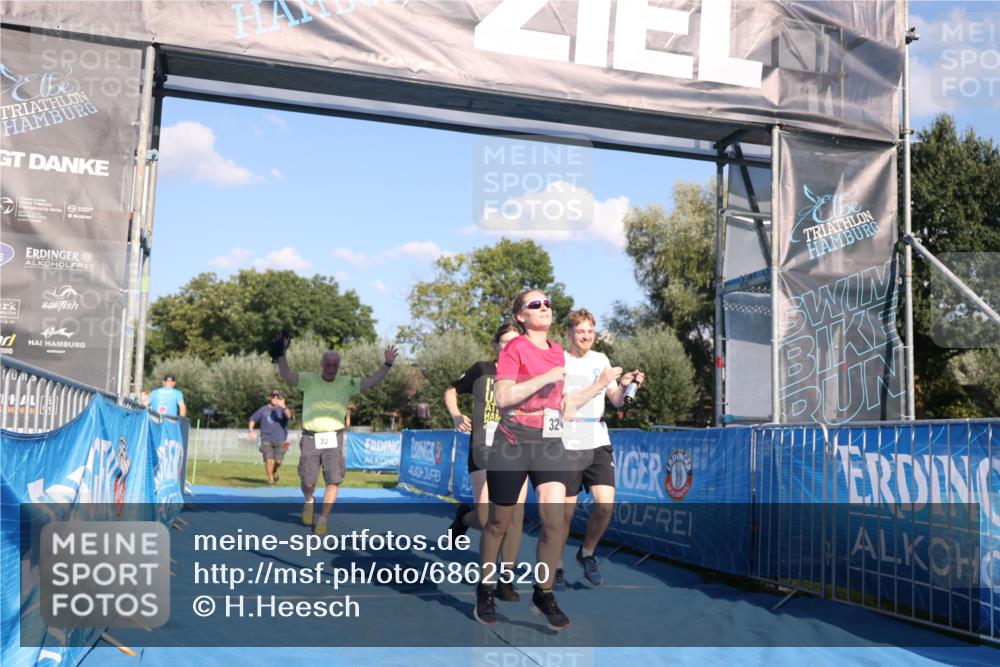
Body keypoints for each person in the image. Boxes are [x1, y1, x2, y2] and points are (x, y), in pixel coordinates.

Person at [475, 289, 574, 631]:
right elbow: (503, 397)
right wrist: (545, 378)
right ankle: (485, 589)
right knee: (499, 522)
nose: (544, 307)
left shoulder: (558, 350)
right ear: (521, 316)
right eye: (536, 304)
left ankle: (543, 592)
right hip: (512, 442)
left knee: (555, 519)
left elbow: (563, 404)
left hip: (548, 442)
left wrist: (599, 390)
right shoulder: (515, 348)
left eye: (548, 303)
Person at [275, 336, 399, 535]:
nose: (331, 368)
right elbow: (286, 375)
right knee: (308, 482)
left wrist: (387, 364)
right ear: (322, 365)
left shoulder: (346, 383)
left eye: (335, 365)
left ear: (339, 366)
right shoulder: (309, 380)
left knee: (333, 480)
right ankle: (309, 499)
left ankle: (323, 519)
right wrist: (281, 354)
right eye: (328, 364)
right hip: (311, 437)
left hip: (334, 437)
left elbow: (371, 381)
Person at [556, 309, 644, 588]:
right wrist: (599, 383)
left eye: (590, 332)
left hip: (597, 438)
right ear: (569, 333)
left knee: (605, 505)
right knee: (565, 514)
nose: (586, 337)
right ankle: (555, 565)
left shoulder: (601, 359)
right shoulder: (560, 361)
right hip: (568, 439)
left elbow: (616, 400)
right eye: (581, 331)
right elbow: (564, 406)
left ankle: (587, 554)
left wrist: (628, 386)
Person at [444, 321, 525, 602]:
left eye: (516, 343)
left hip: (516, 449)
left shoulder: (527, 374)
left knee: (515, 516)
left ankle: (505, 580)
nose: (511, 347)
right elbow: (451, 390)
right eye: (505, 342)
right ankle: (464, 516)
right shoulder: (482, 369)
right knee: (485, 517)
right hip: (482, 448)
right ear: (496, 345)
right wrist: (456, 414)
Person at [248, 390, 293, 486]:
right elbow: (252, 419)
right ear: (270, 398)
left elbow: (290, 416)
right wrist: (251, 431)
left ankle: (274, 470)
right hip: (266, 438)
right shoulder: (263, 409)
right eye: (273, 397)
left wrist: (284, 407)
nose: (275, 399)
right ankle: (271, 480)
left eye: (277, 397)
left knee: (278, 461)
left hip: (280, 439)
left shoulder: (283, 409)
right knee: (268, 460)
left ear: (281, 399)